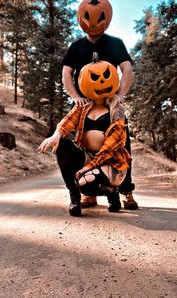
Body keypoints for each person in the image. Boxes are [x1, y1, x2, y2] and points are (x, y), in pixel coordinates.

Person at [61, 0, 138, 210]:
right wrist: (75, 97)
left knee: (122, 144)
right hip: (83, 105)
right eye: (88, 16)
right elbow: (66, 74)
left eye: (99, 16)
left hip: (109, 103)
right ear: (80, 18)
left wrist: (119, 96)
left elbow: (127, 70)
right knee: (80, 144)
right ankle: (90, 191)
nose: (93, 21)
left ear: (107, 17)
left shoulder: (115, 44)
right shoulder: (76, 47)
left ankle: (126, 190)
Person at [38, 53, 131, 216]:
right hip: (87, 156)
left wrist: (88, 168)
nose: (101, 81)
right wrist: (57, 135)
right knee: (62, 146)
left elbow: (112, 144)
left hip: (109, 161)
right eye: (94, 77)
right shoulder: (82, 106)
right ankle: (74, 197)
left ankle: (111, 192)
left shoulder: (116, 110)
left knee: (85, 182)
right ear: (84, 82)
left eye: (106, 76)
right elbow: (68, 121)